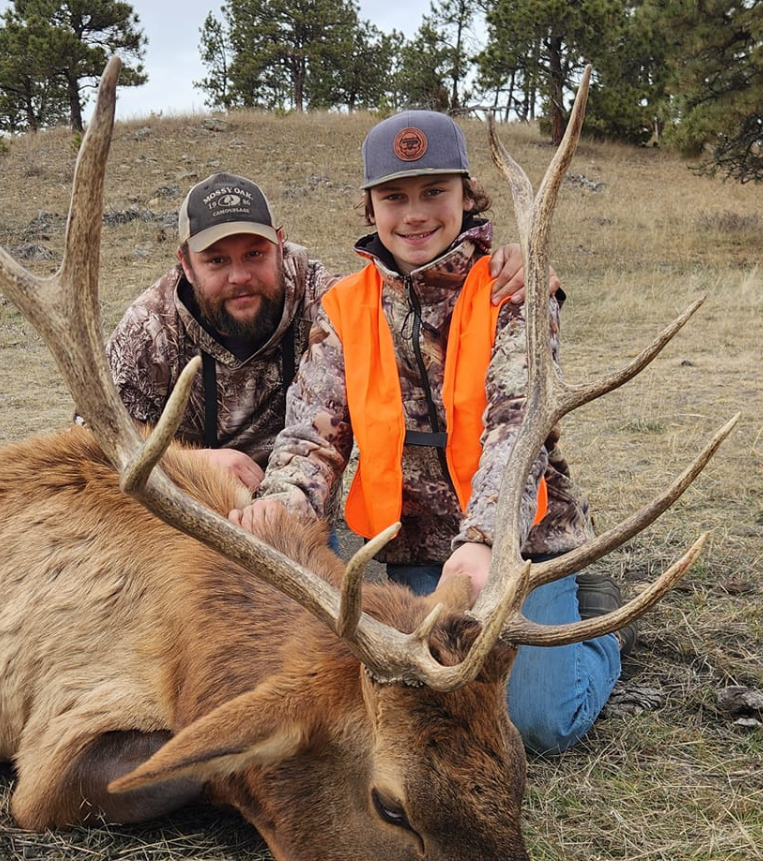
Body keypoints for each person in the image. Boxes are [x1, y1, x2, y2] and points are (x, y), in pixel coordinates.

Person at [231, 112, 630, 756]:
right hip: (411, 557)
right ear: (370, 205)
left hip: (516, 545)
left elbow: (515, 423)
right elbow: (311, 438)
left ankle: (599, 623)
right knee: (402, 700)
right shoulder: (346, 307)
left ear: (466, 195)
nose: (414, 214)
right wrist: (280, 509)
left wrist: (485, 539)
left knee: (537, 723)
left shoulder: (513, 288)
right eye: (394, 196)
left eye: (433, 192)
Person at [105, 171, 531, 492]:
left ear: (279, 243)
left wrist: (505, 262)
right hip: (187, 498)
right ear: (185, 263)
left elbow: (411, 305)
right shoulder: (149, 330)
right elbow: (97, 444)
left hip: (296, 502)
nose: (239, 276)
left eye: (254, 254)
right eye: (216, 261)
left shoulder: (323, 299)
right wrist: (193, 465)